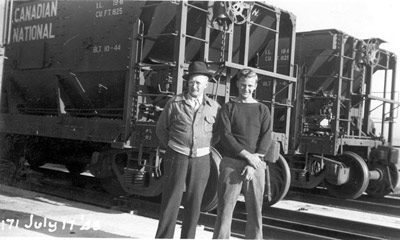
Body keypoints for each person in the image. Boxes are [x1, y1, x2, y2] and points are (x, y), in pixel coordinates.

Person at [155, 61, 220, 239]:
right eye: (191, 82)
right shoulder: (174, 103)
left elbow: (218, 133)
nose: (194, 86)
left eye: (199, 82)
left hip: (202, 160)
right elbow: (161, 129)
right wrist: (175, 147)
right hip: (177, 156)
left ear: (206, 84)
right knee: (170, 201)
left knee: (194, 203)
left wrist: (204, 146)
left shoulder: (214, 107)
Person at [213, 69, 272, 239]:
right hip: (231, 164)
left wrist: (253, 163)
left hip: (256, 165)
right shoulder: (228, 107)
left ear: (255, 86)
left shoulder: (263, 110)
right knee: (224, 212)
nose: (246, 89)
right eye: (243, 85)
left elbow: (266, 138)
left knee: (255, 212)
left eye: (250, 86)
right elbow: (226, 136)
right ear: (238, 84)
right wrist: (248, 156)